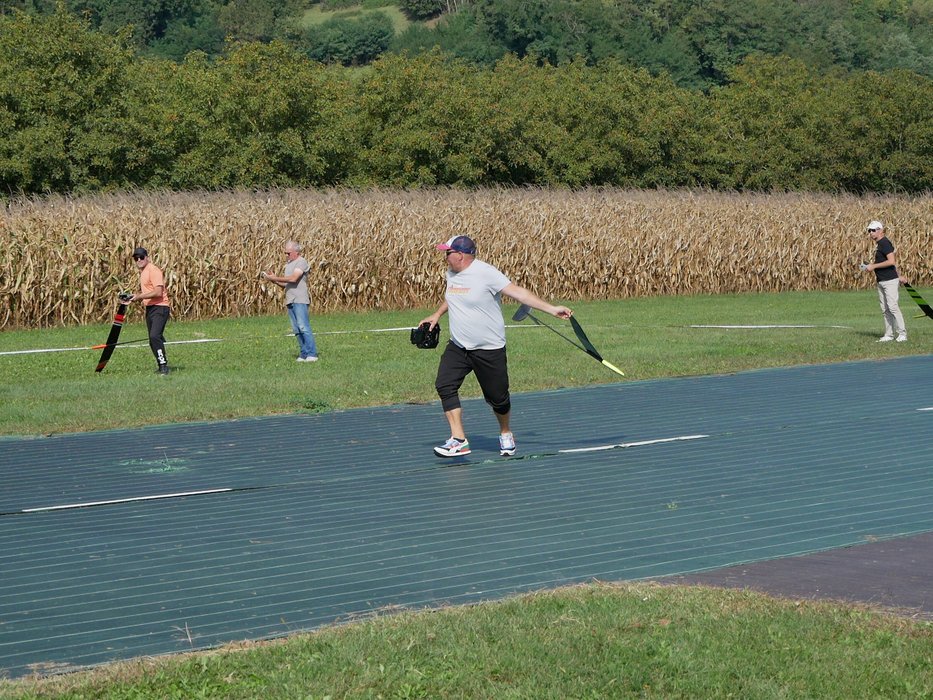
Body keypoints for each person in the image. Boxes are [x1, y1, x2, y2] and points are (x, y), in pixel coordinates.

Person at [419, 235, 573, 458]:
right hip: (459, 346)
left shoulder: (486, 273)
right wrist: (436, 315)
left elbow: (518, 292)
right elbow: (453, 296)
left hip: (488, 348)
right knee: (444, 384)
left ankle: (505, 432)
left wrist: (551, 309)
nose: (445, 257)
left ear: (460, 255)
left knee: (498, 399)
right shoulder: (451, 273)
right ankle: (458, 440)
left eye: (448, 253)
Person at [262, 240, 319, 362]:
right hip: (290, 300)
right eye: (285, 253)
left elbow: (293, 279)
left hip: (300, 299)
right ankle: (304, 353)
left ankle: (312, 353)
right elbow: (286, 284)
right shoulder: (288, 265)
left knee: (303, 327)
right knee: (296, 329)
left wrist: (275, 277)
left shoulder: (301, 262)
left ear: (296, 252)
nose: (286, 255)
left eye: (288, 253)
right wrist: (274, 280)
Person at [125, 247, 171, 375]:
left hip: (160, 307)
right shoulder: (143, 272)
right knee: (153, 340)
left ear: (147, 257)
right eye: (136, 258)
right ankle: (160, 365)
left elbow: (158, 292)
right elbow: (147, 292)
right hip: (150, 308)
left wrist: (139, 296)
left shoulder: (153, 270)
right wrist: (132, 298)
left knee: (154, 336)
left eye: (141, 257)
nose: (139, 260)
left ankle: (164, 366)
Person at [862, 220, 906, 343]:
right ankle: (889, 334)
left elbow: (891, 261)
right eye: (869, 230)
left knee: (893, 307)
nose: (871, 233)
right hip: (881, 280)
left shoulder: (885, 243)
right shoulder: (879, 244)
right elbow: (889, 263)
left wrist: (874, 266)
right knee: (885, 309)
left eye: (873, 230)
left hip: (889, 281)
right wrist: (870, 266)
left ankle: (902, 333)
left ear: (880, 230)